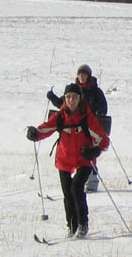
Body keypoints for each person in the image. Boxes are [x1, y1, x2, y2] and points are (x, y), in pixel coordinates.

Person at [26, 83, 110, 238]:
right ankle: (72, 227)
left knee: (77, 189)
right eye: (68, 97)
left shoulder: (87, 117)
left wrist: (95, 150)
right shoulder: (60, 116)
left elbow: (103, 140)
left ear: (79, 98)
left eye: (74, 97)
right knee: (67, 193)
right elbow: (46, 128)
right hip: (64, 158)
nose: (71, 100)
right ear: (65, 99)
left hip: (84, 159)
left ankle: (83, 226)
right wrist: (35, 134)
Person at [47, 64, 109, 192]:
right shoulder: (73, 90)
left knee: (91, 154)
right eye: (80, 75)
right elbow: (63, 104)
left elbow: (103, 107)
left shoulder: (96, 91)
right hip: (74, 127)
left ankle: (92, 183)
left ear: (88, 76)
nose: (82, 77)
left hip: (90, 126)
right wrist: (52, 97)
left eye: (84, 75)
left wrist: (94, 113)